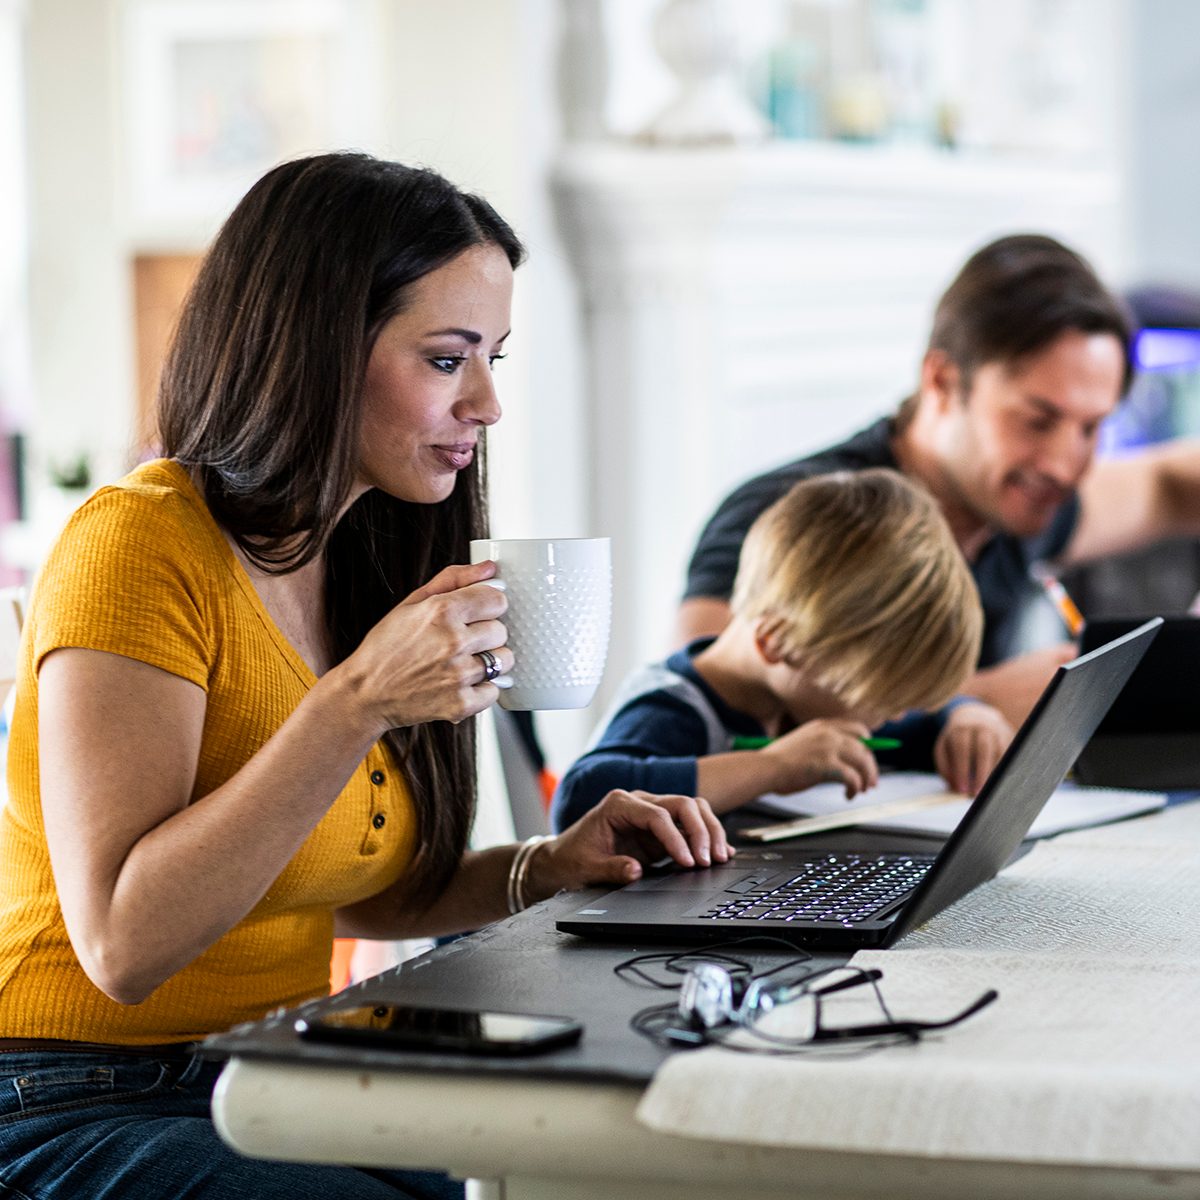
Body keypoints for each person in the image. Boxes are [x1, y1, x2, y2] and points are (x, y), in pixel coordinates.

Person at [0, 153, 729, 1200]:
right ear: (316, 350)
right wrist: (357, 703)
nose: (486, 403)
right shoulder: (138, 545)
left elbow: (356, 890)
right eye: (446, 359)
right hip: (70, 1093)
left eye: (494, 360)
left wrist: (547, 868)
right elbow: (124, 940)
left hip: (266, 1073)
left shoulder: (361, 563)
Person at [677, 234, 1200, 726]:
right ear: (943, 381)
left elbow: (1170, 485)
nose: (1065, 466)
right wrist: (972, 700)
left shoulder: (1025, 502)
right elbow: (708, 713)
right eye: (1036, 420)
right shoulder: (791, 519)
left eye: (1091, 427)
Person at [553, 469, 1012, 830]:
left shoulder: (799, 693)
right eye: (885, 701)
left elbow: (914, 730)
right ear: (778, 643)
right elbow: (580, 798)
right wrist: (771, 766)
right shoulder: (672, 708)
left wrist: (963, 716)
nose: (894, 718)